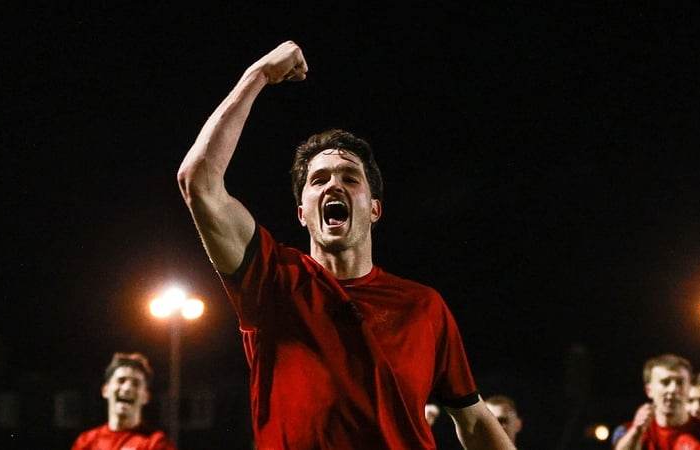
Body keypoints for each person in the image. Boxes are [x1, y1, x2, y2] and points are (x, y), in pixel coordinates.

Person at [177, 40, 514, 450]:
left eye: (349, 177)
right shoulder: (272, 281)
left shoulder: (424, 307)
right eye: (318, 180)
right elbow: (198, 180)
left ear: (374, 209)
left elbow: (475, 420)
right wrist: (260, 74)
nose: (333, 183)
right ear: (302, 213)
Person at [612, 353, 700, 450]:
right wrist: (637, 430)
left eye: (680, 382)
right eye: (665, 382)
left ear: (689, 388)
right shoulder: (630, 431)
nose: (673, 389)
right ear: (649, 390)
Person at [71, 352, 176, 449]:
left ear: (146, 397)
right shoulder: (86, 441)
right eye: (121, 380)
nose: (127, 388)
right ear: (105, 390)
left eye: (136, 384)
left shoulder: (156, 443)